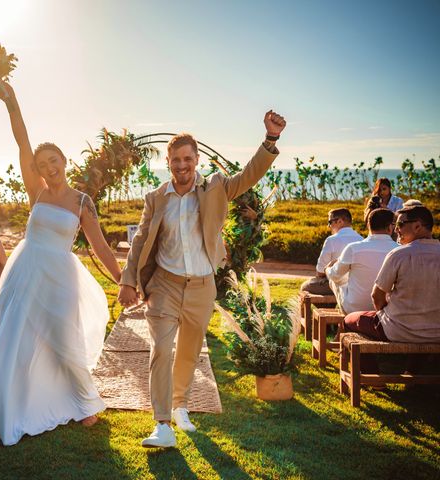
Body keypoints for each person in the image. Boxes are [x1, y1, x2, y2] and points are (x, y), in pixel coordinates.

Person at [0, 80, 122, 446]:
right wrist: (12, 104)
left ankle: (84, 402)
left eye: (54, 161)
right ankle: (10, 405)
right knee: (14, 338)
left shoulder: (82, 203)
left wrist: (123, 279)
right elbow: (22, 141)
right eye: (43, 164)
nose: (49, 167)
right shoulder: (37, 191)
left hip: (61, 276)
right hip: (26, 270)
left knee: (63, 338)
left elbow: (103, 248)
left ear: (65, 161)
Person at [118, 111, 286, 448]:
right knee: (162, 350)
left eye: (187, 159)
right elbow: (140, 242)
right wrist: (128, 280)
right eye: (175, 160)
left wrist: (270, 140)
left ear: (197, 160)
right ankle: (162, 424)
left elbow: (250, 175)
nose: (182, 165)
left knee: (189, 353)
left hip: (202, 286)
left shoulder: (216, 187)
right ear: (168, 163)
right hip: (164, 284)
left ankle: (180, 405)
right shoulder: (156, 198)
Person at [343, 206, 440, 372]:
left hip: (398, 329)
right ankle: (413, 373)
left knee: (349, 320)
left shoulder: (399, 254)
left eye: (401, 224)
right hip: (436, 332)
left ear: (417, 226)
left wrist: (385, 312)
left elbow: (377, 296)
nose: (396, 230)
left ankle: (371, 375)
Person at [326, 209, 398, 314]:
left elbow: (335, 275)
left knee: (335, 279)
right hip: (387, 309)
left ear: (368, 226)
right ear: (390, 227)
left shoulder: (354, 248)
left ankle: (341, 323)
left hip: (354, 310)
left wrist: (328, 269)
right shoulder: (400, 250)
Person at [300, 208, 363, 295]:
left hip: (338, 285)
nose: (329, 226)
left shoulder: (332, 240)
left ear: (340, 221)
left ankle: (326, 307)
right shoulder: (361, 239)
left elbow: (320, 271)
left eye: (330, 222)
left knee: (305, 286)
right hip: (356, 286)